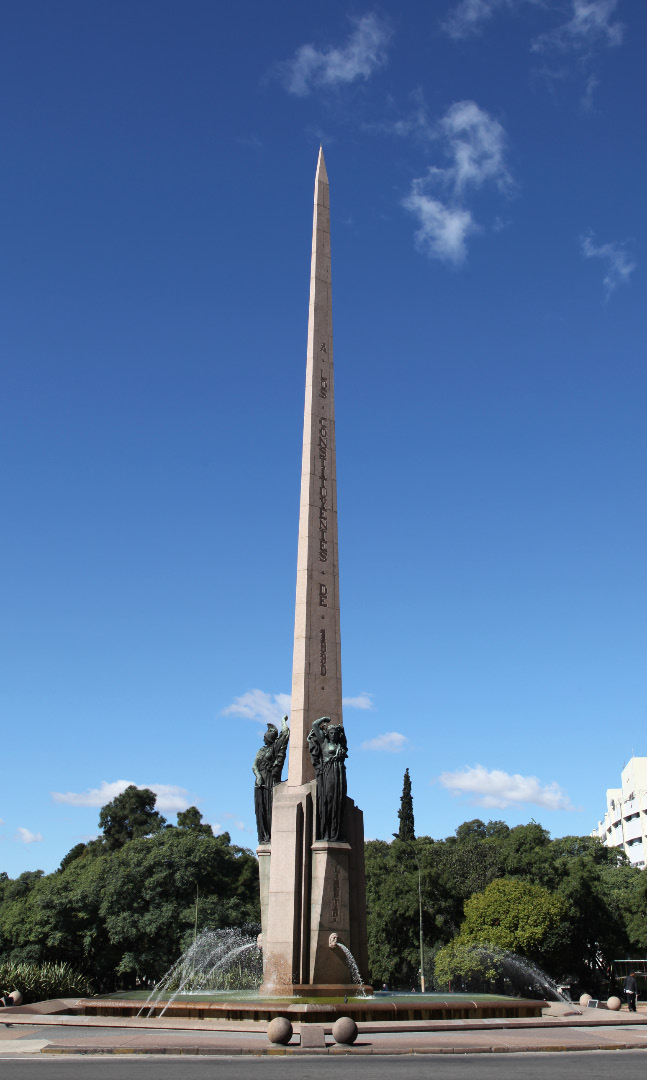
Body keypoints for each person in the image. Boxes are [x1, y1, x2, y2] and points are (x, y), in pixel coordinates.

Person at [307, 716, 348, 841]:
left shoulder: (340, 745)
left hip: (339, 773)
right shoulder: (324, 743)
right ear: (327, 734)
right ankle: (326, 832)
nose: (333, 734)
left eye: (335, 733)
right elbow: (314, 724)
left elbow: (344, 741)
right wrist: (324, 719)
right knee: (329, 800)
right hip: (328, 773)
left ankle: (337, 832)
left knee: (339, 801)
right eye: (330, 732)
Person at [252, 716, 289, 843]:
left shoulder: (274, 748)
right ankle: (264, 837)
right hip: (260, 783)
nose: (264, 738)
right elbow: (254, 765)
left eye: (265, 737)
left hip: (270, 780)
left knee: (270, 809)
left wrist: (283, 722)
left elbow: (285, 735)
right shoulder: (261, 751)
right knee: (260, 809)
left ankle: (272, 836)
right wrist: (258, 776)